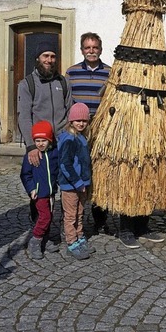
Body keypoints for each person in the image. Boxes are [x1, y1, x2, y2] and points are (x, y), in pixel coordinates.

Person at [65, 32, 111, 234]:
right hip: (79, 131)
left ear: (100, 49)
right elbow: (67, 102)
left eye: (95, 47)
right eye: (87, 47)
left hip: (101, 131)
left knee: (100, 173)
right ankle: (75, 219)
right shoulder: (72, 73)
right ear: (82, 50)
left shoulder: (110, 72)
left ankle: (100, 219)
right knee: (78, 170)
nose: (91, 51)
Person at [17, 38, 72, 167]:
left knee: (67, 184)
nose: (49, 60)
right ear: (37, 58)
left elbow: (70, 111)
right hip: (40, 145)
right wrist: (31, 146)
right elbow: (24, 117)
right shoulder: (27, 84)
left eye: (53, 57)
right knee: (44, 186)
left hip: (62, 143)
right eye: (45, 56)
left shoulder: (63, 82)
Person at [58, 103, 94, 260]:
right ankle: (71, 242)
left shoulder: (82, 137)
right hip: (71, 186)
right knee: (71, 215)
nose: (81, 123)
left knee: (80, 213)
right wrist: (77, 182)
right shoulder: (69, 139)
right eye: (77, 120)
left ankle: (79, 237)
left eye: (84, 121)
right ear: (71, 121)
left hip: (81, 185)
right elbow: (65, 164)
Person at [20, 121, 60, 260]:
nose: (41, 144)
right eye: (37, 140)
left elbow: (57, 170)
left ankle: (45, 239)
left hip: (51, 192)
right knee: (45, 217)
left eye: (44, 140)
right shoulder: (31, 156)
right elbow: (25, 175)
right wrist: (31, 188)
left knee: (49, 215)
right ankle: (35, 240)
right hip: (39, 193)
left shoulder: (54, 153)